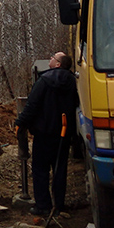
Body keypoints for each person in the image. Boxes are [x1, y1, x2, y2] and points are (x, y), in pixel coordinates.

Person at [15, 51, 79, 216]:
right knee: (59, 170)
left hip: (44, 133)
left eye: (53, 57)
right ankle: (58, 206)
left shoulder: (44, 80)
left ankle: (43, 206)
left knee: (40, 170)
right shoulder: (73, 81)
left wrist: (20, 123)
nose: (50, 58)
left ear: (58, 64)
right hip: (63, 133)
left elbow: (32, 105)